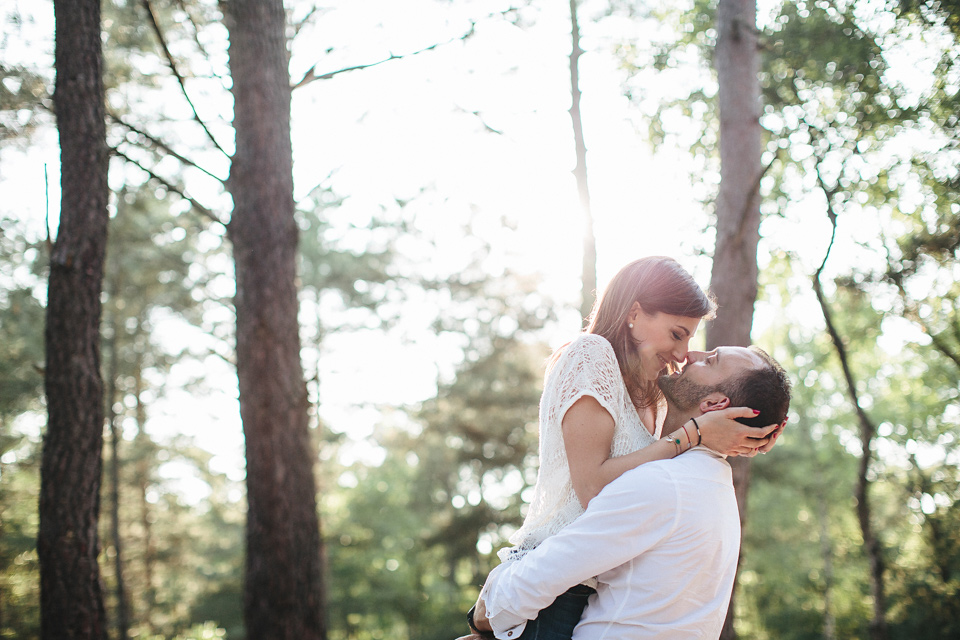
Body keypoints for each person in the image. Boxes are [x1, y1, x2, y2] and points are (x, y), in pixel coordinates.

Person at [466, 257, 783, 639]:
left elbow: (662, 487)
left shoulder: (657, 392)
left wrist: (757, 434)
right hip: (553, 588)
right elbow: (593, 490)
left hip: (595, 586)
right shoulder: (591, 355)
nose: (683, 354)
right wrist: (693, 434)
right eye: (677, 334)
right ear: (635, 312)